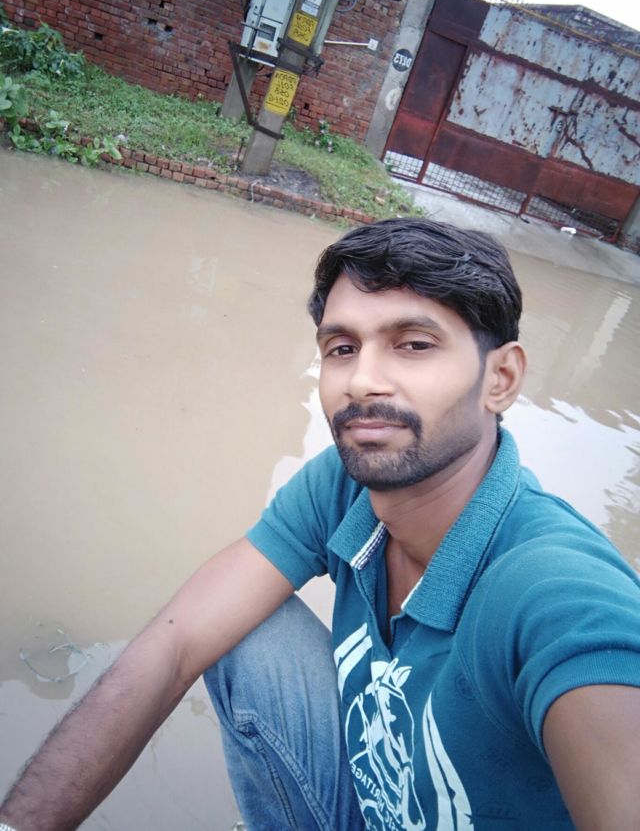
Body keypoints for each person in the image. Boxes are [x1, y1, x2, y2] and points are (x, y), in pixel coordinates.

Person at [1, 218, 639, 831]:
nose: (361, 380)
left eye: (414, 344)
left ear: (500, 378)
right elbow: (177, 643)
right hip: (367, 802)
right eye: (342, 348)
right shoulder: (344, 484)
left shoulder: (553, 591)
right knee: (243, 630)